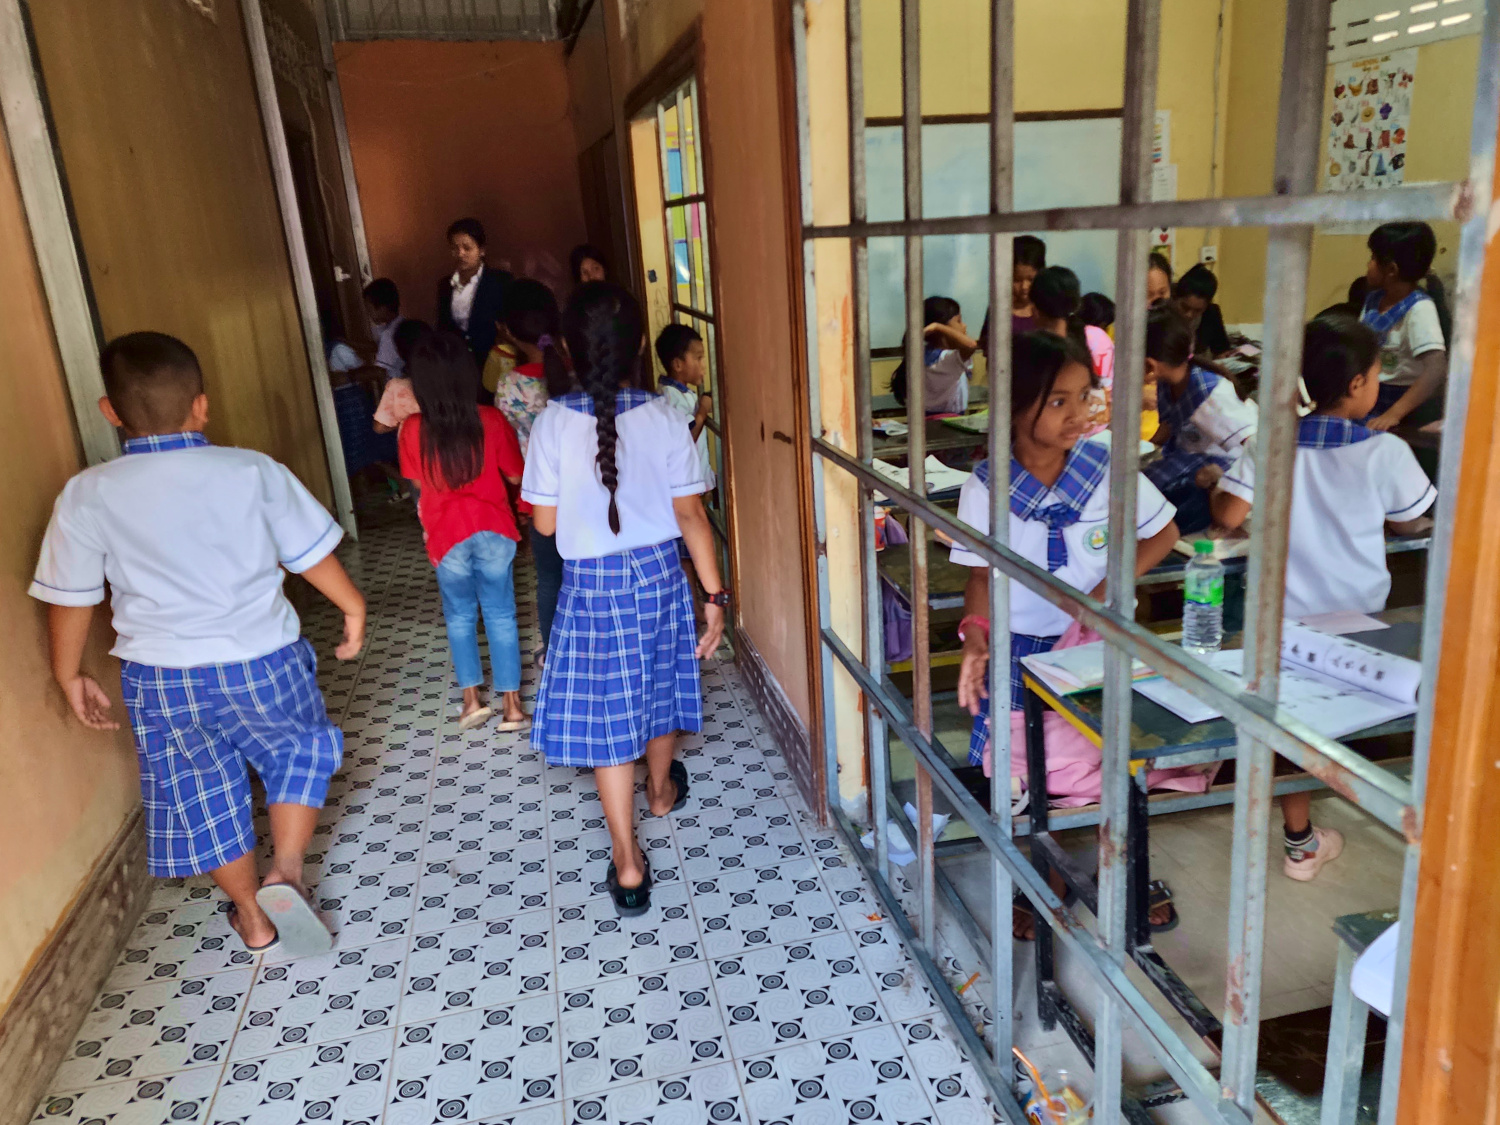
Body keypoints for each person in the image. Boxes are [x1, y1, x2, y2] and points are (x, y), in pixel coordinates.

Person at [29, 332, 365, 956]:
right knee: (297, 749)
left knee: (200, 790)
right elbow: (310, 555)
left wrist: (68, 672)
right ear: (201, 406)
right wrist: (353, 607)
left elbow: (69, 595)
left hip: (162, 674)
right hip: (264, 657)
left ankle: (253, 920)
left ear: (111, 410)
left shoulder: (89, 492)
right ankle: (286, 870)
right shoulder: (252, 470)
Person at [950, 331, 1202, 937]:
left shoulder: (1107, 468)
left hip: (1099, 642)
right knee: (1028, 774)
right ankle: (1051, 875)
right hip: (1022, 646)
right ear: (1014, 405)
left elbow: (1162, 535)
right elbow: (981, 576)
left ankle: (1125, 871)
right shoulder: (985, 489)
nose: (1078, 413)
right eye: (1057, 401)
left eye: (1082, 397)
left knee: (1107, 759)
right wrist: (977, 635)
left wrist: (1102, 593)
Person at [521, 282, 725, 917]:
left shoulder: (553, 422)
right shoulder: (665, 416)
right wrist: (714, 595)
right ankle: (661, 791)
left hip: (591, 586)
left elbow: (547, 528)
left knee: (611, 719)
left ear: (570, 351)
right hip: (660, 577)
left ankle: (628, 863)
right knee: (659, 685)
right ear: (640, 345)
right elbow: (692, 517)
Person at [1211, 313, 1436, 881]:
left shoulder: (1272, 445)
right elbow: (1413, 524)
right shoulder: (1384, 454)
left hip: (1284, 622)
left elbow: (1228, 514)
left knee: (1290, 726)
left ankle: (1301, 841)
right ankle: (1417, 832)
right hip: (1364, 623)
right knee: (1378, 717)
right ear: (1359, 384)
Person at [400, 331, 529, 733]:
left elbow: (419, 485)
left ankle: (471, 701)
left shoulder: (412, 430)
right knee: (501, 614)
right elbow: (514, 474)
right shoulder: (490, 420)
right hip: (493, 529)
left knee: (459, 616)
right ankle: (512, 708)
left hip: (445, 535)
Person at [497, 279, 573, 665]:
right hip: (583, 487)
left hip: (539, 493)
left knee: (549, 575)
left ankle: (553, 649)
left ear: (509, 331)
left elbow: (509, 443)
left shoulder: (510, 385)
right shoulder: (573, 369)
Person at [1142, 303, 1257, 533]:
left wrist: (1224, 488)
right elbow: (1171, 428)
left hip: (1219, 472)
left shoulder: (1210, 396)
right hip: (1189, 456)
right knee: (1139, 482)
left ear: (1149, 366)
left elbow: (1258, 447)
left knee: (1145, 500)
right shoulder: (1169, 383)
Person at [1358, 221, 1449, 432]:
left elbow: (1436, 369)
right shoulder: (1372, 302)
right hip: (1369, 394)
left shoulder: (1419, 309)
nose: (1368, 264)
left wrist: (1394, 413)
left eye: (1372, 257)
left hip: (1402, 404)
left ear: (1391, 270)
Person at [1029, 266, 1115, 434]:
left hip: (1051, 441)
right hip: (1097, 437)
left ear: (1035, 310)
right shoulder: (1098, 339)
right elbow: (1102, 408)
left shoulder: (1033, 350)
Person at [436, 218, 514, 389]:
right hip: (458, 368)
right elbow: (442, 326)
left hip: (494, 365)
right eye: (455, 248)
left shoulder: (499, 282)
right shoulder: (445, 286)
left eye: (467, 247)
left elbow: (509, 323)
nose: (460, 253)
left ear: (482, 250)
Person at [890, 296, 980, 414]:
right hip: (949, 422)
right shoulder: (948, 359)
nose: (964, 326)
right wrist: (938, 327)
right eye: (958, 321)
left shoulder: (920, 354)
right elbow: (971, 345)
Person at [654, 322, 716, 489]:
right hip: (688, 486)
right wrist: (702, 410)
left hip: (695, 482)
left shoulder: (679, 393)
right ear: (678, 365)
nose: (703, 365)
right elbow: (688, 436)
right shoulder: (671, 397)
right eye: (698, 358)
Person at [373, 319, 431, 435]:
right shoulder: (446, 379)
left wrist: (404, 423)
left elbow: (379, 427)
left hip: (412, 447)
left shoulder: (397, 387)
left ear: (399, 352)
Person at [1174, 263, 1231, 357]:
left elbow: (1221, 350)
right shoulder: (1163, 315)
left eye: (1197, 311)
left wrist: (1227, 358)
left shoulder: (1211, 314)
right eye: (1185, 307)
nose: (1189, 315)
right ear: (1176, 298)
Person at [363, 278, 406, 375]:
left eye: (370, 309)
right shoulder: (401, 323)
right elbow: (374, 345)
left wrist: (349, 376)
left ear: (382, 308)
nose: (369, 314)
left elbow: (380, 370)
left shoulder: (389, 335)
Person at [1010, 235, 1047, 336]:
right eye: (1017, 280)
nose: (1024, 287)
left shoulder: (1047, 309)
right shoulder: (999, 308)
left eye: (1031, 279)